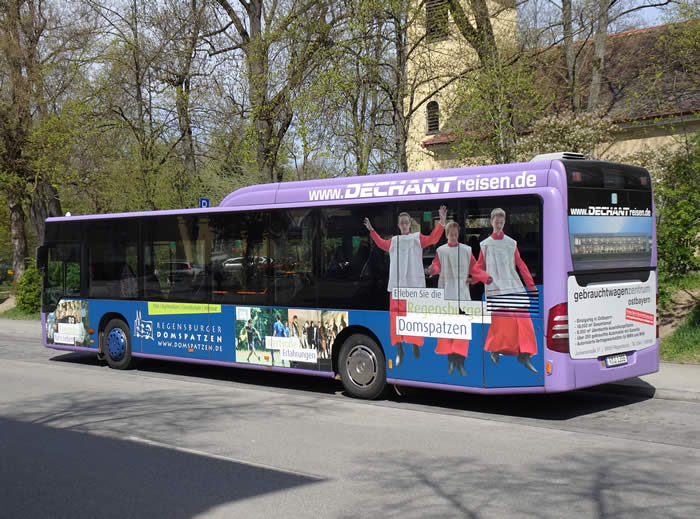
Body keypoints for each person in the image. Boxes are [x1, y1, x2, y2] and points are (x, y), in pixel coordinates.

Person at [364, 205, 447, 366]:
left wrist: (442, 221)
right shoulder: (394, 241)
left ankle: (415, 343)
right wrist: (372, 231)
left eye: (406, 222)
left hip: (414, 288)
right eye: (401, 222)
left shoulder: (417, 238)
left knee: (414, 317)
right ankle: (399, 349)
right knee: (396, 319)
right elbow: (381, 243)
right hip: (397, 288)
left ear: (410, 224)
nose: (403, 224)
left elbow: (433, 238)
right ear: (398, 225)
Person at [475, 208, 538, 373]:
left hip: (513, 285)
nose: (499, 225)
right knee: (501, 322)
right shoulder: (485, 245)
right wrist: (475, 279)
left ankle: (525, 354)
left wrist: (531, 287)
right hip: (496, 288)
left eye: (501, 223)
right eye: (496, 222)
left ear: (504, 223)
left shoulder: (511, 243)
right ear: (491, 222)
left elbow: (521, 265)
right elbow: (479, 267)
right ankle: (495, 350)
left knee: (524, 320)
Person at [428, 221, 493, 376]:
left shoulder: (466, 250)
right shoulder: (441, 251)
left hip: (463, 296)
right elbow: (436, 267)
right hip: (447, 296)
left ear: (458, 234)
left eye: (455, 234)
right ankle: (451, 362)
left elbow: (474, 269)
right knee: (449, 330)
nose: (453, 236)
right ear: (447, 235)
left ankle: (461, 363)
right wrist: (432, 269)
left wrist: (485, 277)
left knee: (462, 331)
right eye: (451, 234)